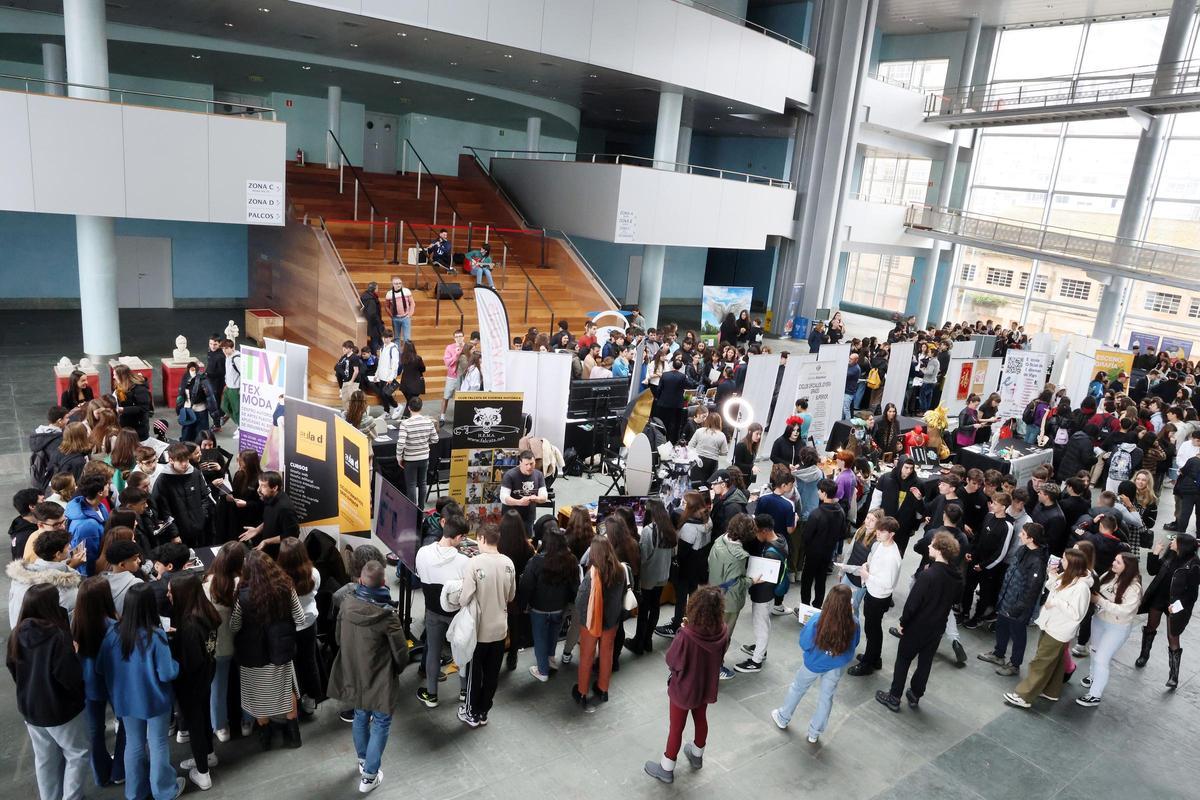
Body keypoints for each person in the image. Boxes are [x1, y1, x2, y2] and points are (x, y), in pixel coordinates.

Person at [95, 582, 185, 800]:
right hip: (155, 700)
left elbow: (100, 667)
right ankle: (163, 790)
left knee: (133, 745)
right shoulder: (155, 636)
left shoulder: (112, 634)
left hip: (124, 701)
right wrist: (177, 663)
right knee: (158, 743)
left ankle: (135, 791)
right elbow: (167, 673)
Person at [327, 560, 409, 794]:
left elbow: (339, 638)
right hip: (380, 676)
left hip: (354, 671)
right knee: (381, 721)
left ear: (361, 581)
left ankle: (363, 760)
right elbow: (401, 653)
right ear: (384, 582)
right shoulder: (387, 616)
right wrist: (398, 670)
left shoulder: (347, 604)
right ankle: (370, 776)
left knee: (361, 714)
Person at [7, 584, 90, 800]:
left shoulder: (16, 633)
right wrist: (75, 654)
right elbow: (70, 677)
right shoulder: (57, 637)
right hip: (61, 709)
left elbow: (13, 668)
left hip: (30, 707)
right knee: (77, 754)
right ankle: (72, 796)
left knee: (44, 758)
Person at [643, 586, 730, 784]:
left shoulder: (686, 635)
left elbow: (672, 661)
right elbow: (720, 654)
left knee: (676, 728)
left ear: (695, 607)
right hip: (706, 685)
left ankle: (666, 768)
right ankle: (697, 755)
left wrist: (682, 630)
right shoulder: (723, 630)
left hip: (684, 688)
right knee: (701, 719)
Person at [876, 532, 963, 712]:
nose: (929, 546)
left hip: (917, 627)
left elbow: (912, 604)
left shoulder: (928, 575)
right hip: (937, 628)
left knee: (903, 660)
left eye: (932, 544)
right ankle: (915, 694)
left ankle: (894, 696)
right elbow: (956, 600)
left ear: (939, 550)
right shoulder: (956, 577)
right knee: (925, 662)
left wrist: (903, 622)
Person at [230, 551, 306, 750]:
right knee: (286, 690)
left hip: (251, 652)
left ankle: (265, 737)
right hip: (280, 650)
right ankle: (294, 736)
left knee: (256, 694)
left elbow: (234, 625)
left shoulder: (243, 595)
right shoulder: (285, 587)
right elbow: (300, 618)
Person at [1004, 548, 1093, 708]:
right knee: (1056, 661)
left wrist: (1057, 602)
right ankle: (1052, 691)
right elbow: (1054, 588)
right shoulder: (1068, 576)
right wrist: (1051, 574)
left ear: (1072, 564)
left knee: (1040, 662)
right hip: (1051, 624)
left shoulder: (1081, 588)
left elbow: (1076, 613)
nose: (1061, 562)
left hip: (1058, 629)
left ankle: (1024, 696)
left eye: (1064, 560)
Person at [770, 584, 860, 742]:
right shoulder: (854, 623)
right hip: (836, 665)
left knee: (798, 688)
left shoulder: (818, 619)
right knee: (826, 698)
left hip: (813, 663)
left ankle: (783, 717)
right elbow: (855, 643)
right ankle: (814, 732)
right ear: (848, 604)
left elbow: (804, 643)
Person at [457, 523, 517, 727]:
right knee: (492, 674)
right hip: (500, 630)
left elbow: (464, 598)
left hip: (479, 631)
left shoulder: (474, 564)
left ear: (481, 539)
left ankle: (471, 712)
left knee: (475, 674)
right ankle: (484, 711)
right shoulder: (508, 563)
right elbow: (511, 595)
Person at [166, 574, 219, 790]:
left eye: (171, 591)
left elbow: (191, 660)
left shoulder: (188, 626)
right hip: (207, 673)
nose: (168, 595)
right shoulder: (206, 612)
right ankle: (208, 754)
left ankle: (203, 772)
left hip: (191, 682)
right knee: (204, 717)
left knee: (195, 725)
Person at [72, 576, 124, 788]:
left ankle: (101, 774)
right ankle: (120, 769)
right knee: (126, 726)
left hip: (88, 684)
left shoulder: (76, 623)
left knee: (94, 730)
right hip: (115, 684)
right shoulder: (114, 626)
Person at [414, 513, 469, 708]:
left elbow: (420, 575)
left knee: (433, 652)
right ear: (460, 538)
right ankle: (464, 692)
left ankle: (431, 695)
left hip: (432, 611)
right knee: (462, 652)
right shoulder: (464, 562)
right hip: (456, 615)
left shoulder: (422, 553)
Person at [979, 523, 1048, 677]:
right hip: (1007, 598)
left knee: (1018, 635)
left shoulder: (1037, 562)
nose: (1019, 535)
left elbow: (1032, 590)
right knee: (1002, 626)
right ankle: (998, 654)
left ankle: (1015, 664)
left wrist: (1018, 608)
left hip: (1019, 606)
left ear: (1031, 539)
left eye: (1022, 534)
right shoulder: (1023, 549)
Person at [1077, 552, 1142, 707]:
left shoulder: (1134, 588)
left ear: (1127, 568)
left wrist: (1100, 600)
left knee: (1101, 659)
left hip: (1117, 627)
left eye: (1118, 562)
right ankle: (1093, 677)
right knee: (1094, 650)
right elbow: (1097, 588)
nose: (1113, 563)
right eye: (1114, 560)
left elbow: (1125, 611)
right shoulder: (1109, 575)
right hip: (1099, 620)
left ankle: (1095, 695)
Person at [519, 518, 580, 681]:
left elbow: (526, 586)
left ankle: (543, 671)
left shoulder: (536, 561)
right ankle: (551, 661)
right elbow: (576, 585)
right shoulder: (571, 560)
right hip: (560, 607)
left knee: (540, 639)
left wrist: (523, 605)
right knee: (553, 635)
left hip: (539, 608)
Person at [573, 535, 630, 709]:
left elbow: (580, 601)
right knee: (606, 655)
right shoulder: (620, 569)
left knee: (587, 656)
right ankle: (603, 689)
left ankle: (582, 692)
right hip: (612, 621)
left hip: (591, 623)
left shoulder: (592, 575)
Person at [1136, 533, 1200, 687]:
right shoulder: (1171, 554)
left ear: (1181, 545)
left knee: (1173, 636)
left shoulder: (1194, 564)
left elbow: (1192, 594)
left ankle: (1174, 676)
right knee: (1151, 626)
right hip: (1159, 597)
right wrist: (1155, 553)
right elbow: (1153, 571)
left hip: (1176, 604)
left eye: (1174, 540)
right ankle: (1144, 655)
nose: (1171, 542)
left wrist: (1177, 606)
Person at [845, 516, 902, 677]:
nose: (877, 533)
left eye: (882, 531)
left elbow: (888, 583)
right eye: (877, 530)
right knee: (873, 629)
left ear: (891, 534)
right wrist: (868, 566)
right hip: (872, 592)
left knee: (873, 630)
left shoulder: (892, 556)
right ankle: (874, 657)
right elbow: (876, 564)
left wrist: (867, 575)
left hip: (879, 596)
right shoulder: (881, 545)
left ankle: (868, 664)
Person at [734, 514, 790, 673]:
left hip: (764, 592)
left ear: (765, 531)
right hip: (771, 592)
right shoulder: (780, 539)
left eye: (756, 531)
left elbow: (763, 577)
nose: (755, 535)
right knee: (763, 622)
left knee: (761, 624)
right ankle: (760, 647)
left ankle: (757, 660)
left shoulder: (770, 552)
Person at [202, 542, 244, 744]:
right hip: (242, 642)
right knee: (246, 683)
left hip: (217, 646)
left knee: (217, 688)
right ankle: (247, 722)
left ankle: (220, 726)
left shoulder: (206, 585)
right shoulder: (241, 583)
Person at [656, 491, 712, 639]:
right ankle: (690, 620)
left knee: (681, 596)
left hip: (686, 566)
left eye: (685, 503)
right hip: (700, 562)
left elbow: (682, 552)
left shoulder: (689, 528)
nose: (682, 504)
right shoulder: (707, 519)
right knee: (692, 594)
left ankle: (676, 626)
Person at [277, 537, 323, 715]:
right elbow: (315, 591)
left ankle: (293, 702)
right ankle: (311, 700)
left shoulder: (279, 580)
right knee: (310, 661)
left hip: (288, 627)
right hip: (309, 623)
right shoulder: (314, 573)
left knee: (291, 665)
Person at [628, 500, 677, 655]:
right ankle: (648, 640)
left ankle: (639, 642)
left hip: (649, 577)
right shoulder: (670, 529)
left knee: (644, 610)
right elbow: (674, 552)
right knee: (655, 607)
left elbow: (643, 556)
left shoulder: (649, 531)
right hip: (663, 575)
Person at [150, 443, 211, 549]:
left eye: (186, 460)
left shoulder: (195, 473)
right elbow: (164, 512)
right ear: (171, 460)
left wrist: (202, 516)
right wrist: (174, 534)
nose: (185, 464)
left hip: (199, 529)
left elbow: (205, 497)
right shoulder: (163, 481)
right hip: (179, 534)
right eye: (180, 461)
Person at [800, 479, 844, 608]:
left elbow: (806, 536)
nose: (818, 492)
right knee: (821, 580)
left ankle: (805, 607)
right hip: (828, 552)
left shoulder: (816, 514)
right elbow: (842, 534)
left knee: (807, 581)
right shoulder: (840, 512)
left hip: (813, 553)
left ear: (824, 493)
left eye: (819, 490)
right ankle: (817, 606)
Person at [238, 471, 299, 557]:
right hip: (268, 550)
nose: (258, 490)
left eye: (263, 486)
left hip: (279, 555)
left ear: (274, 488)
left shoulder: (285, 509)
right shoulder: (269, 497)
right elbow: (270, 519)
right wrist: (257, 530)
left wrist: (266, 541)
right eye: (259, 485)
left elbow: (291, 535)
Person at [395, 396, 439, 508]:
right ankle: (422, 507)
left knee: (411, 485)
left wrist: (399, 457)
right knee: (423, 483)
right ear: (421, 408)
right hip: (424, 458)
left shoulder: (405, 424)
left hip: (410, 459)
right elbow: (435, 439)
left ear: (409, 408)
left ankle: (412, 510)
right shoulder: (428, 422)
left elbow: (401, 443)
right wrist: (424, 442)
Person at [500, 450, 548, 533]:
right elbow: (503, 497)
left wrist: (537, 498)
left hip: (529, 517)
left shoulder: (539, 475)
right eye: (526, 464)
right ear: (520, 463)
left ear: (535, 462)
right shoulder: (509, 475)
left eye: (531, 464)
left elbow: (544, 496)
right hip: (511, 517)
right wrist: (519, 502)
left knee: (528, 541)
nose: (529, 467)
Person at [113, 365, 153, 441]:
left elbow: (144, 408)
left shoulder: (140, 389)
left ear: (122, 376)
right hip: (125, 423)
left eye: (115, 375)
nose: (113, 377)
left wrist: (123, 409)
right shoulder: (120, 386)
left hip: (138, 427)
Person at [688, 411, 728, 484]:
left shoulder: (699, 431)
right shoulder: (722, 435)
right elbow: (724, 452)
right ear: (719, 422)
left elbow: (690, 445)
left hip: (698, 460)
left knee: (695, 483)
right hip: (712, 463)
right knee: (708, 484)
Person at [175, 361, 211, 443]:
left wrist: (216, 418)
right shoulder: (185, 377)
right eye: (190, 368)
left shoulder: (203, 379)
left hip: (200, 410)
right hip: (187, 410)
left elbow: (210, 397)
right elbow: (181, 394)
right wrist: (178, 409)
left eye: (194, 368)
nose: (192, 369)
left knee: (201, 437)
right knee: (186, 435)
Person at [371, 329, 401, 418]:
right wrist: (376, 374)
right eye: (384, 337)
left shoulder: (393, 348)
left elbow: (395, 364)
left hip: (388, 376)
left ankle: (397, 406)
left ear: (391, 338)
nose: (386, 339)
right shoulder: (382, 347)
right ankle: (387, 411)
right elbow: (380, 362)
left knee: (385, 394)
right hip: (381, 375)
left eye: (388, 337)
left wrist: (391, 377)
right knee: (382, 394)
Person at [9, 487, 41, 561]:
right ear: (32, 507)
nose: (46, 503)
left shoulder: (21, 525)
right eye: (43, 500)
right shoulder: (25, 537)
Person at [440, 330, 465, 423]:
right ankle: (442, 417)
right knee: (446, 396)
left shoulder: (467, 347)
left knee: (460, 398)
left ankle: (460, 416)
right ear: (454, 338)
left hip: (463, 377)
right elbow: (447, 363)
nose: (459, 338)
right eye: (457, 336)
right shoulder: (449, 347)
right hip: (452, 376)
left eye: (460, 336)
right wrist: (456, 354)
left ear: (463, 337)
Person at [385, 275, 416, 342]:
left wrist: (409, 315)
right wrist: (392, 316)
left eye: (400, 283)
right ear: (393, 284)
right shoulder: (389, 294)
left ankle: (407, 352)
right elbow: (387, 307)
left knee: (407, 338)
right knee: (396, 338)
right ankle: (397, 352)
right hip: (396, 318)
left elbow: (412, 303)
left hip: (406, 317)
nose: (398, 285)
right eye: (396, 284)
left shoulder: (406, 291)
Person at [335, 340, 364, 413]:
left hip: (353, 381)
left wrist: (351, 381)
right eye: (343, 348)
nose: (344, 350)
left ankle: (360, 412)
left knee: (353, 399)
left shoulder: (354, 357)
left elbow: (356, 371)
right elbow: (338, 366)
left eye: (346, 348)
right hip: (345, 380)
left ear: (351, 349)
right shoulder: (344, 357)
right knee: (345, 399)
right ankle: (348, 412)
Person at [359, 281, 384, 352]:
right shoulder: (371, 299)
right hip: (374, 324)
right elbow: (372, 313)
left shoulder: (365, 296)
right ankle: (377, 357)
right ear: (374, 288)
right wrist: (378, 322)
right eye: (377, 288)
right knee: (375, 342)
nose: (378, 289)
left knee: (375, 340)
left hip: (371, 323)